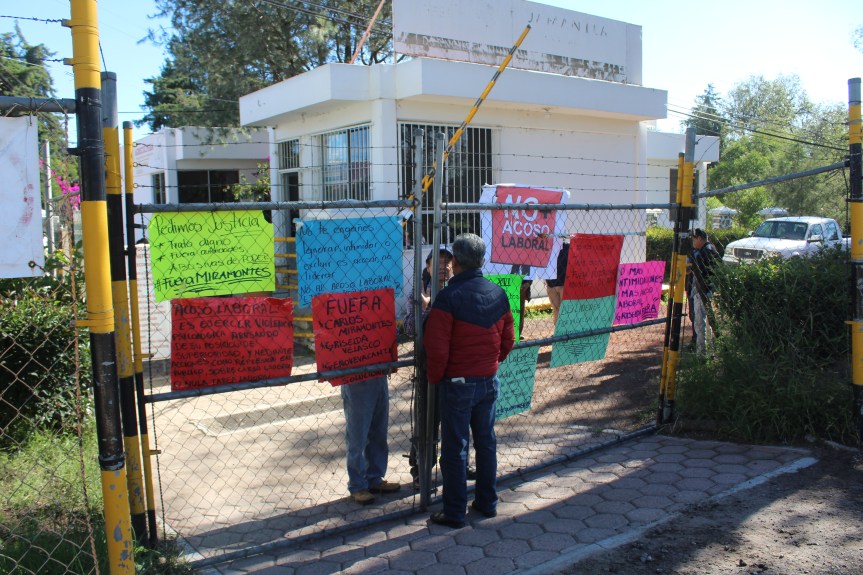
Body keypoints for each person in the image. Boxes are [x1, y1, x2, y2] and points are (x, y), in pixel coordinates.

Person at [424, 233, 515, 528]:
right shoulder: (497, 293)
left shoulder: (448, 298)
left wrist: (436, 379)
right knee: (486, 442)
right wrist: (492, 362)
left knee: (455, 447)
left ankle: (453, 512)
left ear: (457, 262)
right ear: (482, 261)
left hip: (458, 383)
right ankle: (487, 502)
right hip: (488, 380)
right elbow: (509, 338)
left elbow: (437, 348)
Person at [340, 374, 401, 505]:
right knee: (357, 436)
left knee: (379, 431)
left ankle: (374, 478)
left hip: (378, 375)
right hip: (356, 378)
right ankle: (357, 486)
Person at [403, 247, 453, 337]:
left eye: (446, 263)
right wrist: (423, 308)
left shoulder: (455, 290)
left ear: (452, 267)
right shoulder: (417, 294)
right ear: (428, 267)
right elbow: (409, 331)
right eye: (437, 263)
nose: (442, 267)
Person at [690, 228, 720, 354]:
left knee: (700, 322)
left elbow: (701, 272)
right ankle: (711, 350)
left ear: (700, 239)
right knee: (708, 321)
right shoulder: (708, 249)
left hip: (703, 290)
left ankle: (702, 353)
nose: (693, 242)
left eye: (694, 239)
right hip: (707, 289)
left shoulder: (706, 251)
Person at [545, 240, 569, 325]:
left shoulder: (568, 247)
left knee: (565, 309)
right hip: (551, 284)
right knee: (555, 309)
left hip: (564, 284)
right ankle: (557, 331)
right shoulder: (547, 247)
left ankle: (565, 329)